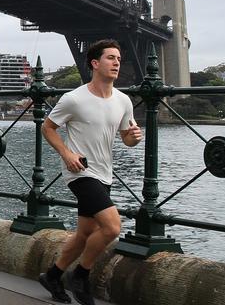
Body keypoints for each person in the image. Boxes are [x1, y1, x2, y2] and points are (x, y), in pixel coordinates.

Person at [37, 39, 142, 305]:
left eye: (118, 58)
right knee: (112, 227)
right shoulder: (74, 99)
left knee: (85, 233)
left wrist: (134, 137)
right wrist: (67, 154)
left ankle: (53, 275)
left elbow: (126, 139)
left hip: (104, 172)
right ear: (95, 64)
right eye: (110, 58)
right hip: (80, 171)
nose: (117, 62)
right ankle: (81, 275)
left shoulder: (123, 101)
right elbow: (47, 128)